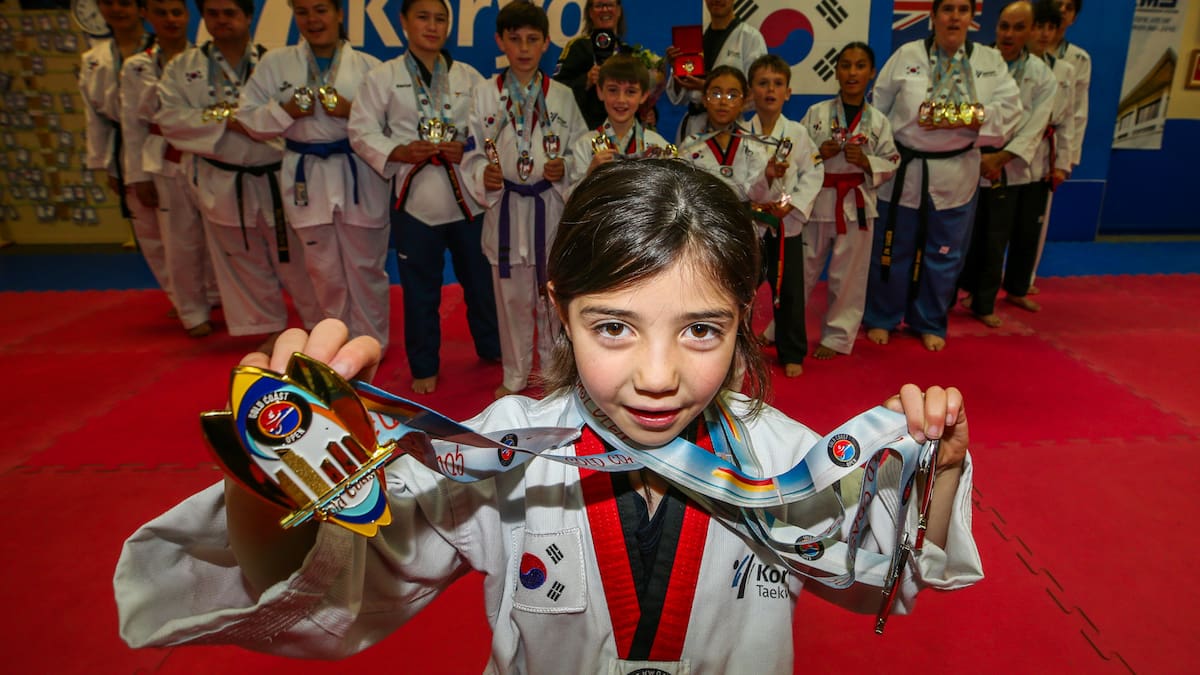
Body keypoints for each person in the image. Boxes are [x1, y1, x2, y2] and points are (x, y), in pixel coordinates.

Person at [114, 160, 982, 672]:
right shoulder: (488, 451)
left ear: (745, 318)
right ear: (557, 310)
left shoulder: (788, 457)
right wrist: (271, 478)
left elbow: (881, 577)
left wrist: (936, 476)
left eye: (702, 330)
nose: (656, 375)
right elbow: (322, 596)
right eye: (614, 326)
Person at [348, 0, 500, 394]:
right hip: (414, 201)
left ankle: (493, 347)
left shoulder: (470, 77)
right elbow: (361, 131)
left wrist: (464, 147)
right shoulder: (383, 77)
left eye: (440, 19)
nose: (432, 26)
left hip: (466, 198)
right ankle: (424, 364)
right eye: (423, 17)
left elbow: (489, 130)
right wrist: (398, 151)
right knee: (420, 291)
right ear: (403, 22)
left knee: (481, 284)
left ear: (448, 25)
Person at [156, 0, 323, 346]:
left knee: (298, 257)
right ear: (204, 19)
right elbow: (170, 120)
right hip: (222, 175)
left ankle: (319, 324)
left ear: (248, 17)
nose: (222, 21)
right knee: (239, 255)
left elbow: (301, 109)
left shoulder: (275, 62)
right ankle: (269, 328)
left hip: (277, 175)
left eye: (230, 13)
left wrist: (255, 120)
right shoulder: (183, 67)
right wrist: (229, 120)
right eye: (213, 14)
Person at [864, 0, 1021, 351]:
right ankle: (881, 316)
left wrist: (962, 115)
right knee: (892, 250)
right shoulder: (907, 55)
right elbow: (878, 110)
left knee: (944, 253)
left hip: (957, 170)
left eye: (962, 10)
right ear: (932, 17)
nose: (954, 16)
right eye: (947, 9)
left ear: (971, 18)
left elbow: (1011, 113)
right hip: (905, 167)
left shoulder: (989, 62)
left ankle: (930, 320)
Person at [237, 0, 391, 351]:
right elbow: (246, 118)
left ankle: (371, 345)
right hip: (306, 174)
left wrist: (352, 111)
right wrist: (285, 110)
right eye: (303, 11)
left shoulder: (369, 66)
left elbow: (392, 125)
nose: (312, 19)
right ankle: (335, 342)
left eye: (321, 9)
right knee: (324, 271)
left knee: (366, 268)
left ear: (338, 13)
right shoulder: (276, 64)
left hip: (358, 171)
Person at [463, 1, 587, 399]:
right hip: (505, 210)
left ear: (546, 43)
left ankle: (552, 375)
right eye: (514, 39)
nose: (523, 48)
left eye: (532, 39)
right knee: (511, 300)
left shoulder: (564, 96)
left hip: (548, 207)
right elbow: (470, 150)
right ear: (500, 41)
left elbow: (581, 149)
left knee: (551, 300)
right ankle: (515, 376)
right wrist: (483, 172)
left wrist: (564, 168)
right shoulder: (483, 94)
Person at [120, 0, 218, 337]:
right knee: (179, 240)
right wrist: (136, 176)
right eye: (161, 13)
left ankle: (221, 299)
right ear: (146, 15)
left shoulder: (207, 59)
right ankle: (191, 311)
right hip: (162, 157)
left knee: (220, 237)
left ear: (189, 16)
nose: (171, 20)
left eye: (177, 12)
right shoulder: (136, 66)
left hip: (207, 154)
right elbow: (132, 125)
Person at [958, 2, 1057, 327]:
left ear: (1030, 32)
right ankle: (948, 297)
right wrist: (976, 152)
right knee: (958, 236)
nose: (1009, 34)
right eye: (1004, 27)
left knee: (995, 237)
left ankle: (984, 302)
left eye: (1017, 28)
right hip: (967, 156)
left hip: (1009, 165)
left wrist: (1001, 158)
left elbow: (1036, 125)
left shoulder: (1042, 75)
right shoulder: (976, 61)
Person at [798, 43, 898, 360]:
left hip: (856, 206)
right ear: (837, 71)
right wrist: (818, 153)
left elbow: (893, 159)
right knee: (800, 272)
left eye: (859, 66)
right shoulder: (816, 114)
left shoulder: (879, 121)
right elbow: (796, 154)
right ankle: (782, 327)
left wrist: (867, 162)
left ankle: (838, 336)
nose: (852, 72)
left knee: (849, 276)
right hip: (817, 202)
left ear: (872, 73)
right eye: (845, 65)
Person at [743, 55, 824, 377]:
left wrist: (791, 203)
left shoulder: (798, 133)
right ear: (751, 91)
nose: (770, 90)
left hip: (786, 225)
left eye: (777, 84)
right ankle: (741, 349)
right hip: (751, 225)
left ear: (788, 92)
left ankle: (792, 351)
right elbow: (740, 180)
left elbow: (814, 172)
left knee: (790, 291)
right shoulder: (740, 134)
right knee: (744, 291)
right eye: (763, 84)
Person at [80, 0, 163, 291]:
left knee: (185, 229)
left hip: (162, 141)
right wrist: (105, 163)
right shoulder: (94, 58)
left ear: (142, 10)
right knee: (147, 228)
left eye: (125, 3)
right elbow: (94, 117)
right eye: (109, 3)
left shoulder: (162, 49)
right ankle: (179, 297)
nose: (117, 10)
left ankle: (204, 295)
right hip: (122, 146)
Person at [1028, 0, 1090, 295]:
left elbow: (1077, 113)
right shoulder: (1018, 53)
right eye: (1057, 5)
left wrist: (1065, 161)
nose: (1063, 11)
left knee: (1038, 220)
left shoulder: (1077, 60)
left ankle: (1025, 279)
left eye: (1069, 7)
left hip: (1047, 146)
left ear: (1075, 17)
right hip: (1014, 147)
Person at [664, 0, 766, 142]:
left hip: (730, 128)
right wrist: (677, 68)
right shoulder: (696, 36)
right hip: (694, 126)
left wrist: (708, 90)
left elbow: (758, 92)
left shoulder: (750, 38)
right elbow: (678, 97)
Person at [565, 54, 671, 188]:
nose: (621, 99)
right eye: (613, 90)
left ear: (644, 96)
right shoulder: (585, 144)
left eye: (631, 92)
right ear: (600, 91)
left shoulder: (657, 146)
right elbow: (570, 200)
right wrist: (590, 174)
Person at [677, 66, 763, 202]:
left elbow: (761, 194)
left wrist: (769, 176)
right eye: (716, 94)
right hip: (703, 220)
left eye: (732, 96)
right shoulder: (690, 145)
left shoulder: (754, 145)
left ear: (743, 102)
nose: (723, 102)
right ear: (704, 100)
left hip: (743, 220)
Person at [554, 0, 632, 129]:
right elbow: (557, 90)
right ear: (590, 12)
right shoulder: (577, 47)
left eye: (610, 5)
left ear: (618, 11)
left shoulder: (627, 52)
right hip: (584, 131)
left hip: (620, 130)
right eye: (599, 5)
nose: (605, 10)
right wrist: (587, 80)